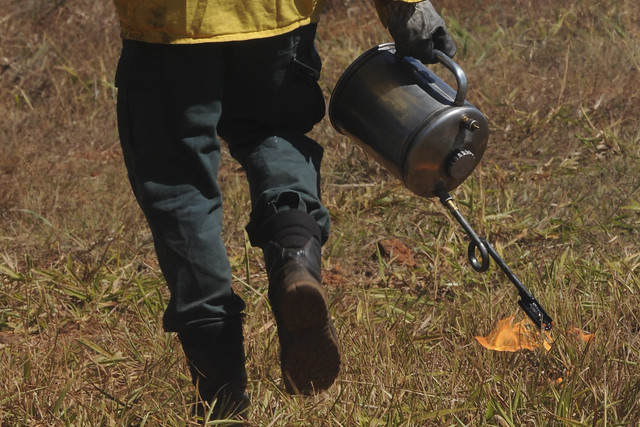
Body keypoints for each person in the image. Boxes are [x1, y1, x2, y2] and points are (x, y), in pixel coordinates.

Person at [111, 0, 456, 419]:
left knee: (178, 186)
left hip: (168, 27)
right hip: (274, 19)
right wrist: (408, 8)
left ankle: (223, 395)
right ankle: (295, 258)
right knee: (276, 135)